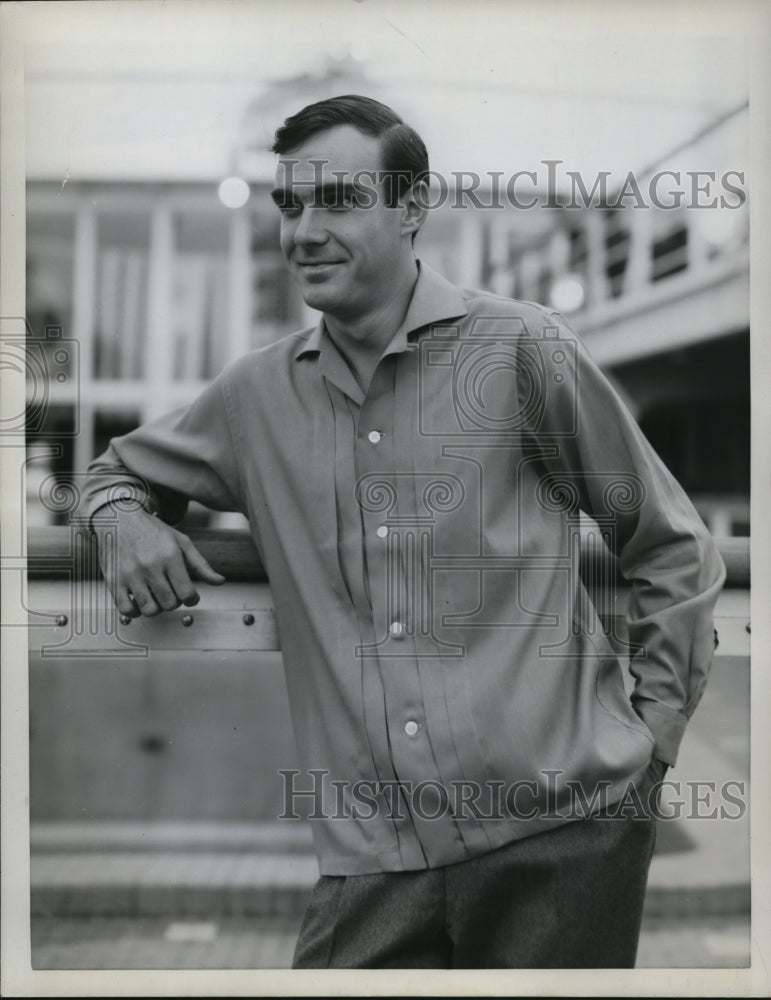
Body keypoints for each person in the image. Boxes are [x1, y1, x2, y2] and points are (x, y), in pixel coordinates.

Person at [81, 95, 726, 968]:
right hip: (370, 866)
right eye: (289, 205)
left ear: (412, 206)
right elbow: (112, 471)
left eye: (338, 200)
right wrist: (118, 518)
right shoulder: (251, 398)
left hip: (567, 842)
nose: (303, 231)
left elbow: (667, 541)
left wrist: (651, 745)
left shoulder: (522, 350)